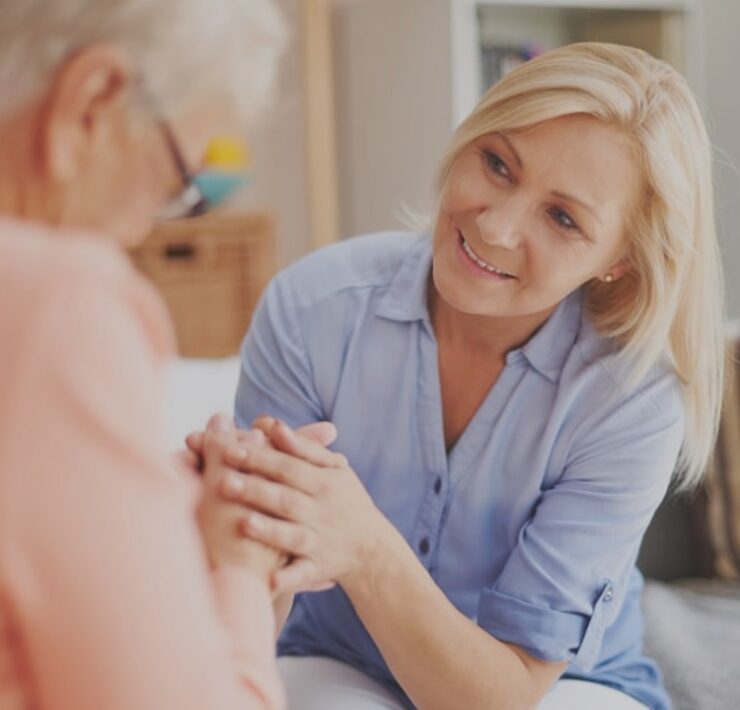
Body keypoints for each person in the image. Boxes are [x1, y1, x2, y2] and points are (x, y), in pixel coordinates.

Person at [200, 43, 725, 709]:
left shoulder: (630, 398)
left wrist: (363, 546)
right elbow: (254, 590)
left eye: (563, 218)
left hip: (557, 688)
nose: (497, 227)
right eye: (498, 164)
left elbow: (502, 695)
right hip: (336, 658)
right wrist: (229, 526)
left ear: (619, 260)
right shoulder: (311, 310)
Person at [0, 1, 314, 708]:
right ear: (94, 101)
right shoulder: (58, 304)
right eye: (176, 182)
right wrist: (240, 564)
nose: (145, 226)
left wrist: (153, 505)